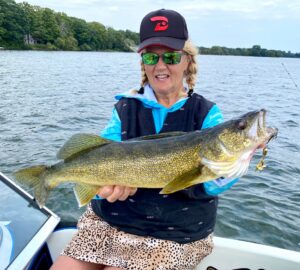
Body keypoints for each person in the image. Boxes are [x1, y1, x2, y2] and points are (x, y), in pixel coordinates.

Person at [51, 9, 238, 270]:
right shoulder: (124, 108)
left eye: (171, 56)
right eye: (152, 57)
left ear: (187, 61)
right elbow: (103, 152)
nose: (161, 66)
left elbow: (212, 183)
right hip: (111, 222)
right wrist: (104, 189)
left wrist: (236, 161)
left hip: (173, 234)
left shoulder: (208, 114)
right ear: (143, 62)